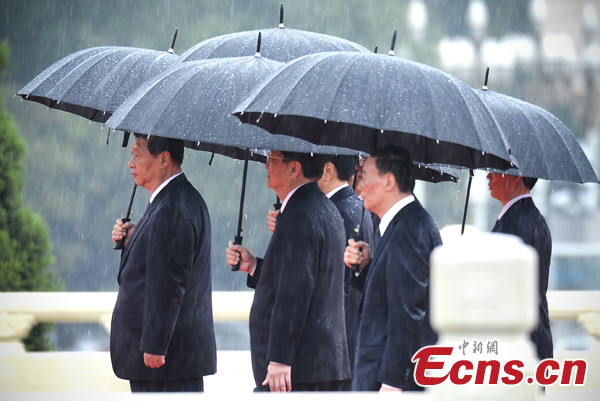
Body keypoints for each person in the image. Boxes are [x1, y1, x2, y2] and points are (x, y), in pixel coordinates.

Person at [226, 150, 351, 392]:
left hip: (297, 369)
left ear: (294, 168)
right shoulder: (324, 208)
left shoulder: (299, 213)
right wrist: (253, 265)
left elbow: (296, 291)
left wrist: (281, 358)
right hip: (321, 362)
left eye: (272, 160)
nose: (266, 166)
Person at [110, 134, 216, 392]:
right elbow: (163, 261)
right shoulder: (173, 199)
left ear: (164, 159)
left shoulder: (173, 207)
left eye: (137, 154)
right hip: (173, 356)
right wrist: (135, 239)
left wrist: (155, 345)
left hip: (165, 360)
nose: (130, 163)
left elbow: (169, 283)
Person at [344, 146, 441, 392]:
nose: (360, 183)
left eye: (364, 174)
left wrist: (392, 383)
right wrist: (365, 267)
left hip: (390, 384)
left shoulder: (409, 230)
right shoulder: (397, 225)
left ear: (389, 181)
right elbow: (390, 296)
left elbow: (408, 314)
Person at [316, 154, 374, 390]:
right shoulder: (350, 207)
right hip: (341, 346)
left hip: (335, 348)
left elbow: (342, 287)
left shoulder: (342, 211)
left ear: (329, 170)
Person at [486, 172, 553, 361]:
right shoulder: (532, 218)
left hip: (515, 348)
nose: (488, 177)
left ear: (516, 176)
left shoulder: (515, 225)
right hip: (534, 340)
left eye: (496, 171)